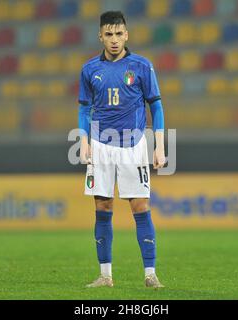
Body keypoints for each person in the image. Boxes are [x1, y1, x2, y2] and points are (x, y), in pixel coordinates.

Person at [78, 11, 166, 288]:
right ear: (100, 36)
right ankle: (105, 276)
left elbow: (156, 105)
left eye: (118, 34)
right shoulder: (90, 69)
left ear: (126, 35)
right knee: (102, 206)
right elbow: (84, 108)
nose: (114, 40)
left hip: (134, 144)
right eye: (108, 34)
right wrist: (83, 141)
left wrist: (159, 146)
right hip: (101, 145)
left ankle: (150, 274)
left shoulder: (141, 66)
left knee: (140, 206)